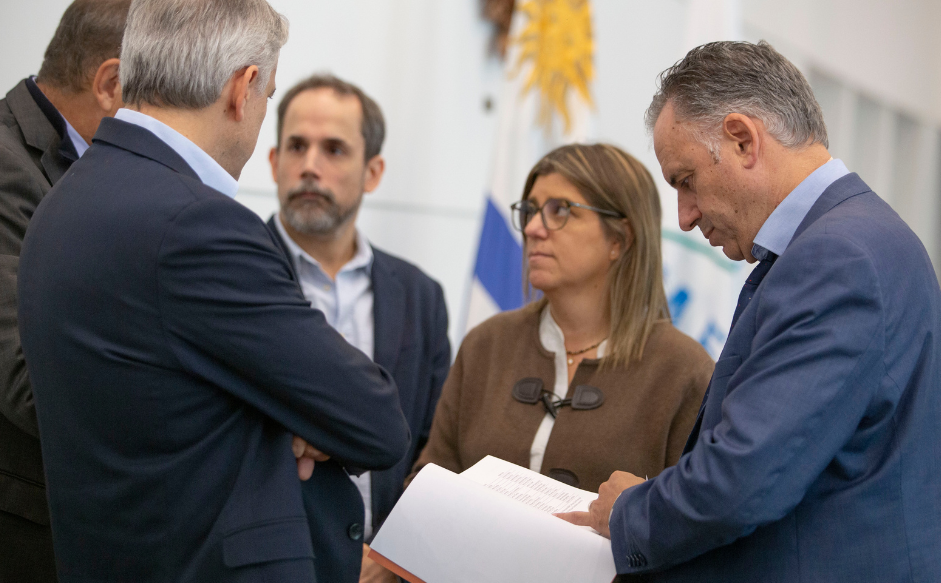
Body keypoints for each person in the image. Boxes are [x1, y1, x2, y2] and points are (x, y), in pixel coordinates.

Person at [17, 0, 411, 581]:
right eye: (269, 96)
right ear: (242, 87)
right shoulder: (197, 225)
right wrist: (294, 420)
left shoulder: (64, 201)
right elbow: (375, 421)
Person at [559, 41, 941, 581]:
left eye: (685, 181)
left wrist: (630, 512)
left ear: (742, 140)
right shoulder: (855, 238)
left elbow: (745, 479)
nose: (685, 217)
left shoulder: (837, 257)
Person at [410, 144, 713, 499]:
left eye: (560, 211)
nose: (534, 228)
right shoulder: (487, 344)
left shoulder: (682, 370)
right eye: (531, 211)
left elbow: (696, 518)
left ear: (620, 238)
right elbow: (430, 481)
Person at [266, 74, 451, 583]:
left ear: (372, 172)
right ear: (272, 162)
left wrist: (398, 554)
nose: (309, 166)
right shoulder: (232, 274)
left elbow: (437, 443)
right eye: (296, 146)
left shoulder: (420, 296)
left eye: (334, 150)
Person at [0, 1, 129, 580]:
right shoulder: (3, 167)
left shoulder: (95, 169)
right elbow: (28, 380)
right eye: (167, 94)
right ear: (111, 83)